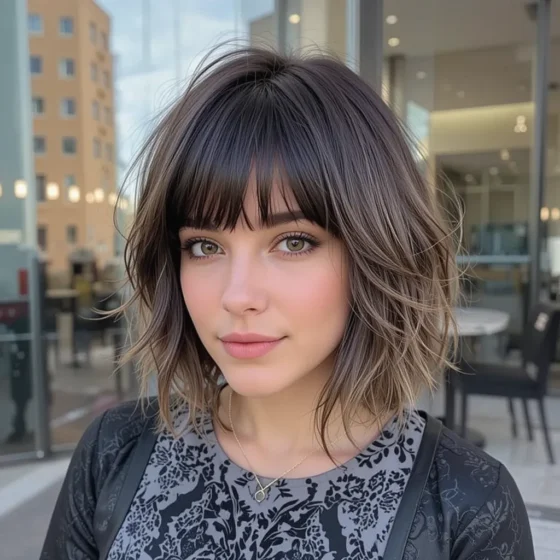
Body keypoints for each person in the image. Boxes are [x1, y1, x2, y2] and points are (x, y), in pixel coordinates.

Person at [40, 47, 534, 560]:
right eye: (205, 246)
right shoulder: (114, 453)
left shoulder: (465, 505)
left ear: (375, 251)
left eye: (293, 241)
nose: (238, 296)